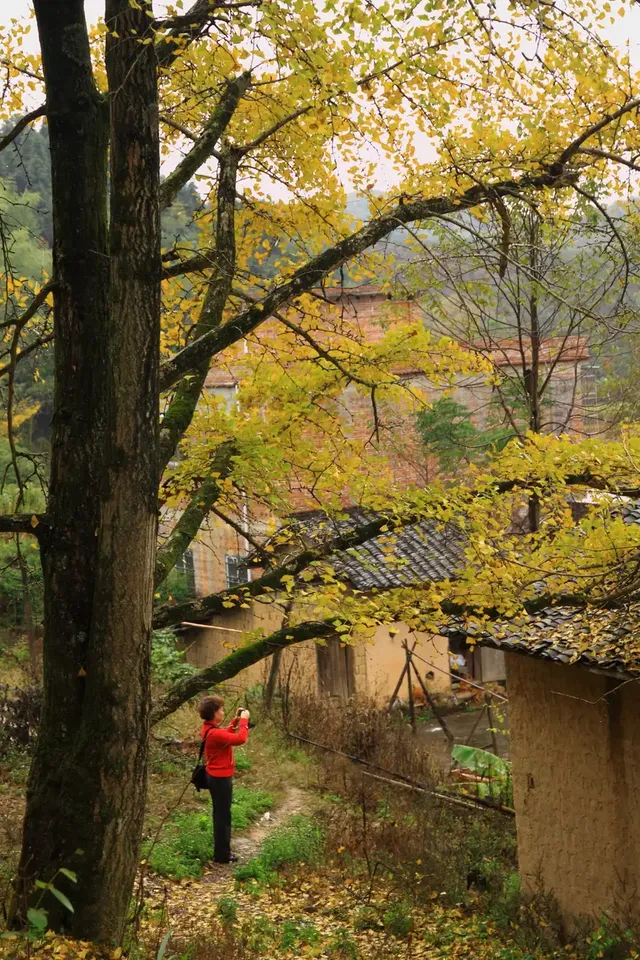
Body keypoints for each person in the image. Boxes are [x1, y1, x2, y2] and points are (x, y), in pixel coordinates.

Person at [199, 695, 250, 864]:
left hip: (215, 775)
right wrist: (244, 722)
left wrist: (234, 722)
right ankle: (222, 855)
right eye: (220, 709)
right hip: (220, 778)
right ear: (214, 713)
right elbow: (239, 739)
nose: (222, 711)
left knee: (221, 814)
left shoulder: (209, 729)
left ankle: (222, 852)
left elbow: (224, 737)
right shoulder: (213, 732)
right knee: (222, 816)